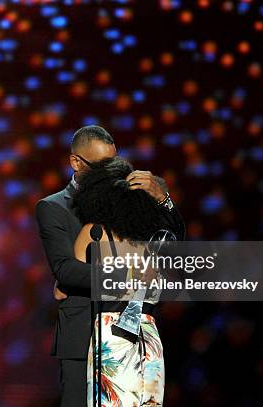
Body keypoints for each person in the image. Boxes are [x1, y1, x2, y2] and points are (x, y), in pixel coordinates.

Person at [35, 125, 184, 406]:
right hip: (83, 333)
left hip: (132, 331)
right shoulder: (53, 207)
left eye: (113, 163)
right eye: (102, 166)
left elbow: (170, 243)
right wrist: (129, 274)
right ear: (76, 162)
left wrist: (162, 199)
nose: (110, 172)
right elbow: (66, 269)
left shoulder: (127, 198)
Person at [72, 156, 169, 406]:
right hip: (149, 333)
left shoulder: (95, 233)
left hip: (110, 333)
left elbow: (69, 285)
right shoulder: (155, 240)